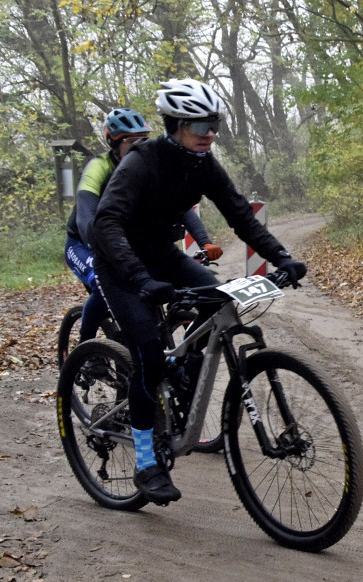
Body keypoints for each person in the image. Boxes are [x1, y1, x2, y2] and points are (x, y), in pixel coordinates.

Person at [89, 78, 307, 505]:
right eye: (201, 125)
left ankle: (182, 382)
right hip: (121, 264)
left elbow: (241, 216)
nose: (210, 134)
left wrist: (281, 256)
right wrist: (141, 280)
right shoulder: (140, 163)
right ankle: (147, 462)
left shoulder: (203, 163)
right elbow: (106, 223)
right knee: (150, 356)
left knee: (221, 303)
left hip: (163, 255)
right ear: (175, 125)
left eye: (215, 125)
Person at [64, 107, 223, 343]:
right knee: (101, 281)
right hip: (83, 242)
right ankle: (85, 346)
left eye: (143, 140)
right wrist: (107, 252)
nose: (139, 146)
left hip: (124, 240)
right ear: (114, 144)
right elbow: (86, 217)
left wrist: (205, 241)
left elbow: (180, 209)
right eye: (130, 141)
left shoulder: (149, 166)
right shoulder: (99, 167)